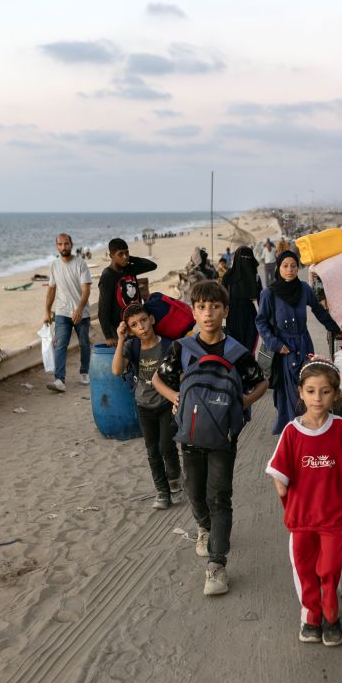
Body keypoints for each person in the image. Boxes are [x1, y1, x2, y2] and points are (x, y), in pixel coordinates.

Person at [153, 280, 268, 595]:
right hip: (188, 435)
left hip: (223, 437)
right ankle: (204, 527)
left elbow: (260, 382)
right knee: (194, 490)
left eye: (215, 307)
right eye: (202, 307)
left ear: (225, 311)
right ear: (193, 311)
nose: (208, 314)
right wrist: (175, 396)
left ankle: (216, 565)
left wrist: (242, 403)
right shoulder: (182, 348)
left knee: (220, 496)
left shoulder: (236, 352)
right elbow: (157, 378)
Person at [265, 360, 342, 645]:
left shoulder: (341, 429)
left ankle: (332, 615)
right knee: (305, 571)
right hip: (301, 520)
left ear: (335, 395)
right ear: (301, 393)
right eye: (311, 391)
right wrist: (280, 484)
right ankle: (311, 617)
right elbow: (278, 469)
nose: (317, 398)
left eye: (325, 391)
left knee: (331, 569)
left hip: (333, 519)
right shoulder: (291, 433)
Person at [255, 251, 342, 435]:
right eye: (285, 266)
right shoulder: (269, 293)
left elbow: (319, 311)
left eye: (293, 266)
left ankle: (308, 427)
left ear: (298, 267)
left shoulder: (304, 289)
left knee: (308, 385)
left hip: (304, 345)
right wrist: (275, 344)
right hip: (284, 349)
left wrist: (337, 329)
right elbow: (261, 321)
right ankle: (295, 430)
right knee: (291, 392)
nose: (290, 270)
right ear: (278, 268)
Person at [112, 303, 182, 509]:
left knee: (166, 446)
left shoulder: (169, 345)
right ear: (130, 329)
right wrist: (121, 340)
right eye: (134, 325)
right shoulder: (131, 346)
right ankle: (161, 490)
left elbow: (180, 373)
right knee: (152, 450)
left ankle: (175, 482)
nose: (140, 326)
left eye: (143, 320)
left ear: (151, 319)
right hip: (143, 405)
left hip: (166, 403)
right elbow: (116, 370)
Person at [44, 233, 92, 393]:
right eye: (60, 244)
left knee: (84, 343)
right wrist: (46, 311)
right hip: (62, 312)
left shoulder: (80, 264)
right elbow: (51, 289)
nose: (63, 247)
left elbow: (86, 291)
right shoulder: (54, 265)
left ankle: (84, 372)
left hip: (82, 312)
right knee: (60, 345)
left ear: (71, 244)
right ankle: (59, 380)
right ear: (57, 246)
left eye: (66, 244)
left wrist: (79, 309)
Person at [97, 238, 157, 345]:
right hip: (121, 328)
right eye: (120, 254)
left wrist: (130, 259)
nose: (125, 257)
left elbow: (152, 266)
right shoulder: (108, 276)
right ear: (111, 256)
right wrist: (108, 335)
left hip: (137, 323)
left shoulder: (128, 268)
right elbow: (103, 308)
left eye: (127, 253)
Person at [224, 246, 261, 352]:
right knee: (234, 350)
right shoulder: (229, 276)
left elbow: (261, 302)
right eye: (242, 257)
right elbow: (221, 297)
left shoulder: (256, 277)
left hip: (250, 317)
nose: (245, 260)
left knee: (249, 350)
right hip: (232, 317)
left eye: (248, 257)